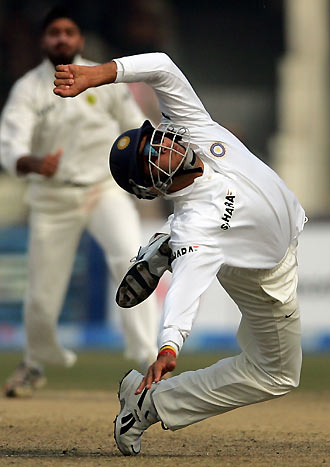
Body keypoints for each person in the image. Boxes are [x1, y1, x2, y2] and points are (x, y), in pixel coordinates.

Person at [53, 52, 306, 456]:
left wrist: (99, 74)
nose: (166, 142)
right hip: (262, 274)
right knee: (276, 374)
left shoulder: (189, 126)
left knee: (271, 366)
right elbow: (186, 291)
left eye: (157, 138)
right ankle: (147, 404)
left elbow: (163, 67)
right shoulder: (196, 224)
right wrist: (169, 346)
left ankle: (162, 246)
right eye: (155, 152)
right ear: (154, 183)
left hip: (279, 237)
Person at [0, 7, 160, 397]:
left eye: (68, 32)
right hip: (53, 196)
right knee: (42, 289)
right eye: (54, 32)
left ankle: (149, 360)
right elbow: (10, 146)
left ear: (80, 40)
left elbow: (136, 126)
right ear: (44, 40)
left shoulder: (102, 78)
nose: (61, 39)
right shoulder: (29, 88)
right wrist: (35, 162)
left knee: (132, 263)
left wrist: (149, 169)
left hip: (103, 189)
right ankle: (34, 364)